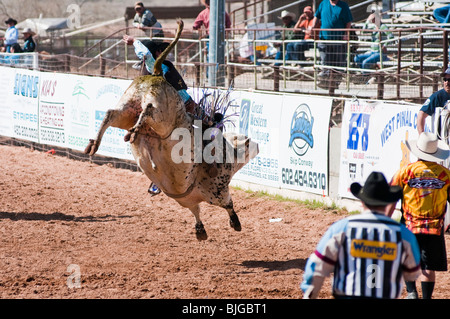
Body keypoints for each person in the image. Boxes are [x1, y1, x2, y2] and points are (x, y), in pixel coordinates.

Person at [301, 171, 421, 299]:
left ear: (362, 202)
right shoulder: (403, 235)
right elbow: (412, 273)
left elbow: (317, 265)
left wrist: (309, 294)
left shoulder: (341, 228)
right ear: (387, 203)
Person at [389, 132, 450, 299]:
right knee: (428, 266)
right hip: (434, 228)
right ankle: (426, 297)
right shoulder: (446, 175)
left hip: (409, 226)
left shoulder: (404, 172)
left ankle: (411, 292)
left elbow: (390, 199)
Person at [312, 0, 353, 76]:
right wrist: (312, 26)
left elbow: (348, 21)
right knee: (325, 59)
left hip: (338, 39)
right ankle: (326, 78)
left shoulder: (343, 6)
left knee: (339, 61)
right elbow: (316, 16)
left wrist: (346, 33)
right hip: (324, 38)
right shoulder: (323, 3)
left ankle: (337, 79)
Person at [417, 67, 450, 134]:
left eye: (449, 80)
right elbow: (421, 114)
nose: (447, 82)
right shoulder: (437, 96)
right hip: (442, 138)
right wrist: (421, 135)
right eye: (445, 79)